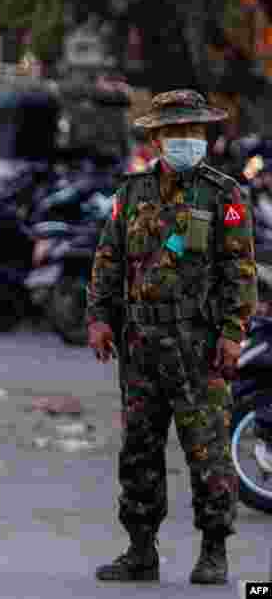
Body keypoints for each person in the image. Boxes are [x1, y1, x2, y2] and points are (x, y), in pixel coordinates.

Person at [86, 90, 258, 586]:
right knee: (139, 450)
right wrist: (98, 318)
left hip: (198, 346)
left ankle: (213, 551)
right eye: (176, 132)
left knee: (207, 450)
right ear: (157, 138)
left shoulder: (223, 194)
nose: (187, 140)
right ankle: (140, 551)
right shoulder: (132, 192)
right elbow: (108, 259)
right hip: (140, 343)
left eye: (194, 132)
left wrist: (232, 332)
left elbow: (239, 269)